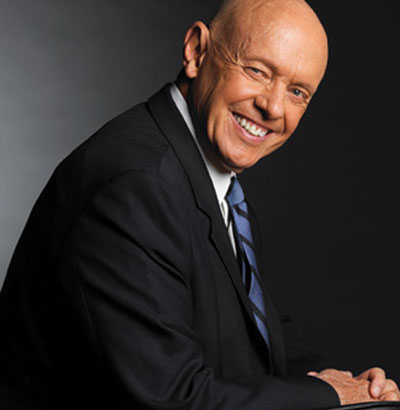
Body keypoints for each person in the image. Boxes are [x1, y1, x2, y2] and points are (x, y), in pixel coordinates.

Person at [0, 0, 399, 408]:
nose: (274, 107)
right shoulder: (137, 187)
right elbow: (173, 398)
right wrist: (331, 396)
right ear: (196, 51)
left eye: (297, 92)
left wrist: (348, 385)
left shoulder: (208, 179)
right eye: (257, 71)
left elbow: (251, 330)